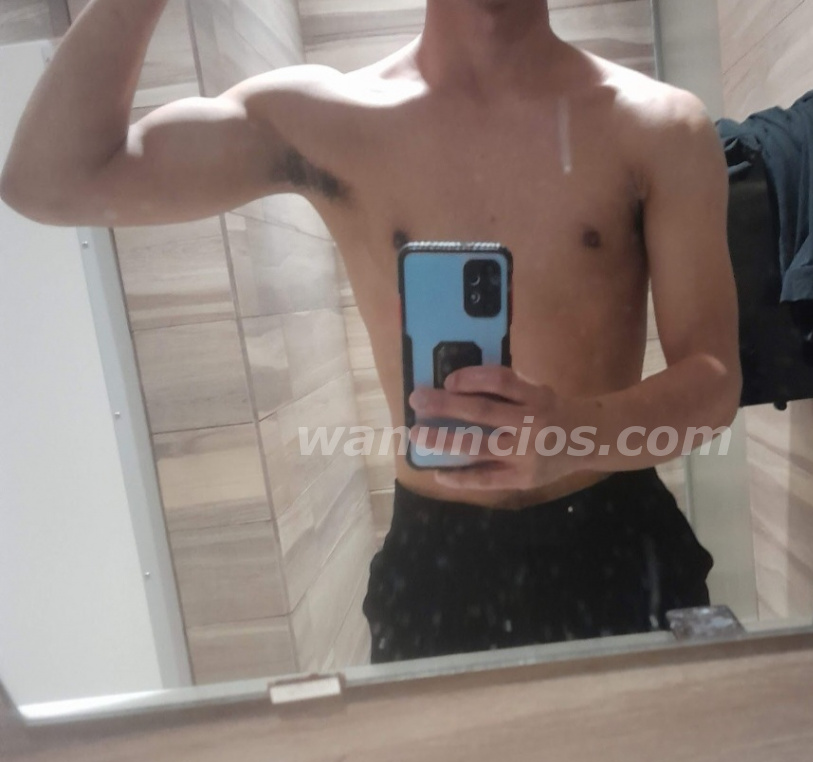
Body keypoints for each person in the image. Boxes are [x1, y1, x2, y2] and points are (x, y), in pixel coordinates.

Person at [1, 0, 741, 662]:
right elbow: (52, 180)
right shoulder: (328, 119)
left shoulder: (659, 126)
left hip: (621, 536)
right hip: (439, 562)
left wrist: (573, 433)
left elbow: (714, 382)